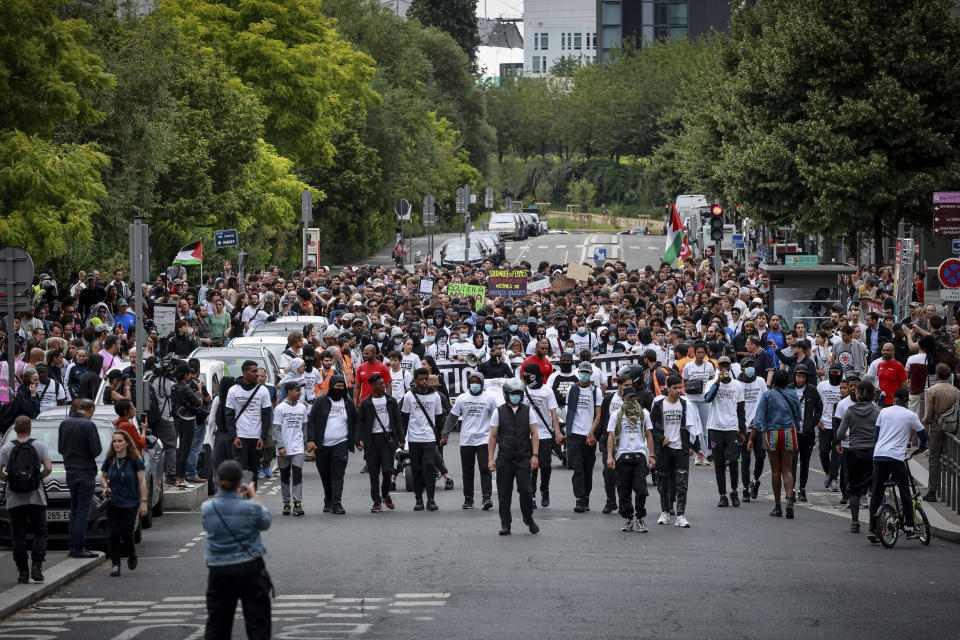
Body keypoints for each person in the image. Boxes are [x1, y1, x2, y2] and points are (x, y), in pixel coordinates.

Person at [202, 460, 272, 640]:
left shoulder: (208, 508)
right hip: (249, 566)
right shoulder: (251, 507)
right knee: (258, 622)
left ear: (218, 481)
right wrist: (253, 494)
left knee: (218, 623)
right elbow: (265, 522)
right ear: (240, 482)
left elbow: (207, 526)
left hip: (219, 569)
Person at [868, 388, 928, 543]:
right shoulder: (911, 415)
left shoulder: (884, 412)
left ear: (894, 399)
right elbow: (923, 435)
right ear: (907, 400)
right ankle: (909, 527)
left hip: (879, 455)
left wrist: (880, 447)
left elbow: (876, 435)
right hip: (895, 458)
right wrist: (922, 447)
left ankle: (873, 529)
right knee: (905, 492)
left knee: (877, 492)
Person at [0, 416, 52, 583]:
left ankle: (22, 571)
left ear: (15, 430)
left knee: (19, 535)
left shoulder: (6, 448)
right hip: (36, 496)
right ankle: (37, 566)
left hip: (14, 497)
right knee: (40, 532)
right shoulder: (39, 446)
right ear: (30, 429)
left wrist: (8, 480)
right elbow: (49, 468)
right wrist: (37, 479)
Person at [488, 378, 539, 536]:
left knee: (525, 490)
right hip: (504, 458)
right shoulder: (499, 412)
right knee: (504, 493)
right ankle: (505, 524)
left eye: (518, 394)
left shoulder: (528, 411)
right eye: (513, 394)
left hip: (523, 457)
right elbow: (493, 436)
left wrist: (535, 455)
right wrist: (491, 458)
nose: (516, 397)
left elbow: (535, 433)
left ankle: (528, 518)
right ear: (506, 395)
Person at [650, 375, 701, 527]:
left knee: (682, 483)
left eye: (680, 387)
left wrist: (696, 448)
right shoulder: (659, 404)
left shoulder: (686, 404)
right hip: (664, 450)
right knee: (664, 483)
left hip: (681, 449)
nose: (678, 391)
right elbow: (650, 428)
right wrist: (661, 438)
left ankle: (681, 515)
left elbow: (693, 427)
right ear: (668, 388)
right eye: (675, 388)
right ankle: (665, 512)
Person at [443, 371, 499, 510]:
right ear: (468, 384)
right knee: (467, 471)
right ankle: (468, 498)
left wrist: (500, 434)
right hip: (467, 439)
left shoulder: (489, 398)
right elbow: (452, 417)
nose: (475, 384)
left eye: (477, 382)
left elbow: (497, 417)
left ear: (481, 383)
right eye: (472, 382)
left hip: (484, 439)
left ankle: (486, 497)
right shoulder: (462, 398)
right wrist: (445, 434)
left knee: (485, 469)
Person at [751, 370, 800, 519]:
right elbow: (798, 416)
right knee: (787, 469)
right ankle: (790, 499)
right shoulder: (793, 394)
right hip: (788, 432)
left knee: (775, 471)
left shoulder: (767, 395)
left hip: (771, 433)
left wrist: (751, 438)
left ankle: (778, 506)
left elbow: (758, 419)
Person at [606, 386, 655, 533]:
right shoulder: (616, 415)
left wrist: (652, 456)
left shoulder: (644, 413)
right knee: (623, 490)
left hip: (639, 455)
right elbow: (610, 436)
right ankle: (628, 518)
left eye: (634, 397)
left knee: (641, 489)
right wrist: (610, 456)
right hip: (622, 455)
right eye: (629, 398)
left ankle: (640, 518)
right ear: (623, 398)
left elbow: (649, 435)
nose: (631, 400)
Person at [57, 398, 102, 557]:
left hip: (70, 471)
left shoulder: (65, 424)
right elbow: (96, 450)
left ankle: (73, 546)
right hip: (86, 471)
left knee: (74, 510)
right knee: (83, 510)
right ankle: (79, 547)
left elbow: (61, 448)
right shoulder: (89, 425)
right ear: (90, 410)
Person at [99, 430, 147, 576]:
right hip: (113, 502)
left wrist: (143, 502)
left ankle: (132, 553)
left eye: (120, 441)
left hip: (130, 503)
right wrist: (105, 487)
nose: (117, 444)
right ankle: (115, 564)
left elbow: (142, 482)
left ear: (127, 443)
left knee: (127, 533)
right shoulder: (110, 459)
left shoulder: (135, 461)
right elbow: (103, 477)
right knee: (113, 533)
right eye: (114, 441)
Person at [835, 381, 881, 533]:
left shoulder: (849, 410)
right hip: (873, 452)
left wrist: (846, 437)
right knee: (875, 487)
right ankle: (875, 521)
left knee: (853, 487)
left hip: (854, 451)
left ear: (859, 394)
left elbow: (840, 434)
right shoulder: (877, 411)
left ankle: (855, 521)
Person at [306, 375, 356, 514]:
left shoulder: (348, 402)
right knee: (325, 474)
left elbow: (355, 421)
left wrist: (357, 440)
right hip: (322, 445)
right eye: (337, 386)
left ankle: (337, 503)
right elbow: (311, 421)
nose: (340, 389)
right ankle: (328, 498)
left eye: (342, 387)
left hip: (341, 443)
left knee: (338, 474)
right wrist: (310, 440)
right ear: (331, 386)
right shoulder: (321, 401)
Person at [399, 367, 445, 512]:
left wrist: (440, 436)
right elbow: (404, 419)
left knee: (429, 466)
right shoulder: (409, 397)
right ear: (415, 381)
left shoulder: (435, 396)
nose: (424, 381)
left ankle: (431, 499)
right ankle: (419, 499)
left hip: (429, 438)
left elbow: (439, 418)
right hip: (413, 438)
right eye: (421, 379)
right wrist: (402, 438)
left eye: (426, 379)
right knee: (416, 469)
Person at [703, 356, 746, 507]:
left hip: (732, 428)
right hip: (715, 428)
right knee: (719, 463)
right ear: (718, 368)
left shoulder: (737, 385)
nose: (724, 369)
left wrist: (743, 431)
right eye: (721, 366)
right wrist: (717, 382)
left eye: (727, 366)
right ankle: (722, 494)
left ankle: (734, 491)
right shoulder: (711, 383)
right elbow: (708, 399)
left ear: (730, 367)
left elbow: (741, 410)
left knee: (734, 461)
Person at [357, 373, 404, 512]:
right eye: (379, 384)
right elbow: (360, 422)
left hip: (387, 439)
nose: (383, 386)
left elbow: (397, 420)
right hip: (371, 440)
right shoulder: (366, 402)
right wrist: (358, 439)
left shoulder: (391, 401)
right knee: (373, 472)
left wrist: (401, 438)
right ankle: (376, 501)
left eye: (383, 383)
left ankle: (385, 494)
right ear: (372, 386)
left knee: (388, 470)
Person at [520, 363, 563, 510]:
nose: (524, 376)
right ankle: (531, 495)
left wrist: (557, 432)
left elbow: (553, 413)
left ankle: (544, 489)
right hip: (527, 434)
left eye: (527, 373)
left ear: (534, 375)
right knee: (530, 467)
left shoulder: (547, 391)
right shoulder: (524, 391)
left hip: (544, 433)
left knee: (545, 466)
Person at [224, 361, 273, 489]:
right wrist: (234, 436)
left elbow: (267, 415)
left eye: (257, 371)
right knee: (241, 470)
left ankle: (251, 498)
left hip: (257, 438)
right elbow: (228, 415)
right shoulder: (233, 390)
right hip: (240, 436)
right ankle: (241, 499)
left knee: (253, 470)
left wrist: (263, 437)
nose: (257, 374)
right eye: (253, 371)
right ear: (244, 373)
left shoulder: (263, 391)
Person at [566, 361, 603, 513]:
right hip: (575, 434)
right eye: (582, 371)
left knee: (588, 468)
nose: (584, 374)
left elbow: (598, 414)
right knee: (577, 467)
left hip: (589, 435)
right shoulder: (572, 389)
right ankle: (579, 498)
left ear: (590, 374)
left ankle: (586, 496)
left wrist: (592, 433)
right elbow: (570, 412)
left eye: (587, 372)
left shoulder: (596, 391)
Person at [922, 362, 958, 502]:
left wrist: (926, 431)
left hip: (937, 427)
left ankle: (932, 490)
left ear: (937, 375)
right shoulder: (956, 391)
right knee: (951, 461)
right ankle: (952, 491)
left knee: (934, 459)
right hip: (952, 428)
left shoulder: (932, 390)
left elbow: (928, 414)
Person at [272, 381, 309, 517]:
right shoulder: (280, 409)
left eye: (300, 390)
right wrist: (281, 446)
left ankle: (297, 504)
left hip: (298, 448)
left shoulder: (302, 408)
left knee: (298, 475)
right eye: (297, 390)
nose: (299, 393)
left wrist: (305, 443)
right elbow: (276, 429)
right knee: (285, 476)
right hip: (284, 449)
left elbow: (304, 427)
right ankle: (286, 503)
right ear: (289, 392)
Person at [787, 362, 822, 502]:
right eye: (798, 376)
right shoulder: (789, 389)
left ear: (806, 377)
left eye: (803, 377)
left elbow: (819, 408)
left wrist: (813, 423)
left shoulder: (812, 390)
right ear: (794, 376)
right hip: (792, 432)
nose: (800, 379)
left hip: (807, 433)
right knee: (792, 462)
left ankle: (802, 489)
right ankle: (792, 490)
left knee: (805, 462)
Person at [738, 357, 768, 502]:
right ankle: (745, 489)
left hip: (759, 426)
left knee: (761, 457)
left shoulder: (761, 381)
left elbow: (765, 400)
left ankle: (755, 481)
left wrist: (760, 417)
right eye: (747, 365)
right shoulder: (737, 384)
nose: (750, 368)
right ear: (742, 368)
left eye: (752, 365)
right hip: (744, 428)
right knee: (745, 459)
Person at [171, 361, 203, 489]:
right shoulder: (185, 388)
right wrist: (199, 390)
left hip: (178, 419)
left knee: (181, 451)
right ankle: (181, 479)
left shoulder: (174, 387)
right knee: (186, 451)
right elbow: (198, 403)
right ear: (185, 375)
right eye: (188, 372)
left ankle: (179, 478)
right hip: (188, 421)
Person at [816, 364, 844, 493]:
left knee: (837, 452)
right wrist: (818, 420)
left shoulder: (843, 386)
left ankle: (834, 479)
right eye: (832, 372)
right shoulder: (822, 386)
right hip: (824, 424)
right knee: (823, 451)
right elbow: (817, 404)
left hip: (839, 425)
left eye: (837, 373)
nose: (835, 375)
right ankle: (828, 473)